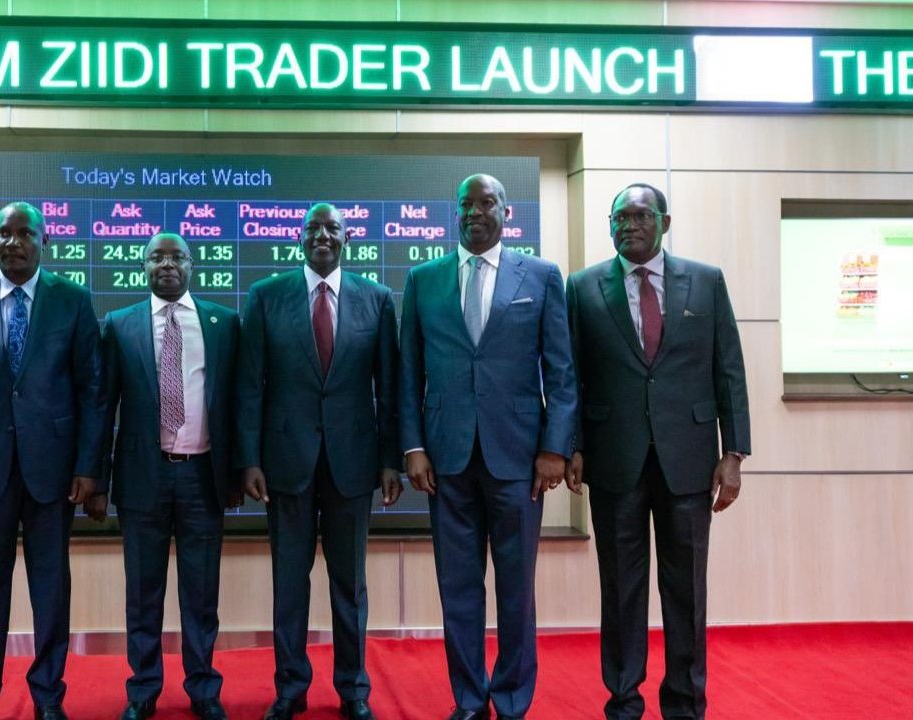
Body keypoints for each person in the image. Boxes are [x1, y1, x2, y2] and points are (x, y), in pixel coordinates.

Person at [565, 183, 751, 720]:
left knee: (686, 590)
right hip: (613, 460)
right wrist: (571, 444)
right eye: (619, 217)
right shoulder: (583, 287)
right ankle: (624, 700)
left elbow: (729, 370)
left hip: (689, 461)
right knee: (621, 590)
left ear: (665, 223)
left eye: (641, 215)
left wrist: (734, 453)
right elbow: (570, 374)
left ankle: (686, 703)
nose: (629, 225)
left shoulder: (706, 281)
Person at [399, 174, 577, 720]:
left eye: (486, 203)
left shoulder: (541, 276)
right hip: (445, 458)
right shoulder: (423, 279)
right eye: (466, 204)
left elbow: (561, 371)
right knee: (458, 587)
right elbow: (408, 373)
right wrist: (412, 446)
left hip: (519, 459)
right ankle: (470, 700)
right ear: (455, 212)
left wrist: (555, 448)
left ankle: (513, 699)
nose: (475, 212)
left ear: (506, 211)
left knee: (516, 588)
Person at [0, 201, 102, 720]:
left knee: (51, 590)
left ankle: (48, 697)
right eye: (3, 233)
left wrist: (88, 468)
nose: (13, 242)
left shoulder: (72, 300)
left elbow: (92, 390)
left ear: (44, 240)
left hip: (54, 471)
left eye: (24, 233)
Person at [236, 203, 402, 720]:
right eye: (313, 228)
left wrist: (391, 460)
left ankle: (353, 688)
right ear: (299, 237)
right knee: (290, 581)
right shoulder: (266, 296)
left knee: (350, 584)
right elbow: (249, 386)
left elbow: (389, 389)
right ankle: (290, 687)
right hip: (285, 463)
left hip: (353, 463)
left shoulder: (376, 299)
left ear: (348, 238)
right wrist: (249, 459)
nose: (322, 235)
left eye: (333, 228)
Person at [89, 233, 240, 720]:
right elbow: (102, 407)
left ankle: (203, 689)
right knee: (143, 592)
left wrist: (238, 472)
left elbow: (238, 403)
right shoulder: (120, 324)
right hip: (143, 478)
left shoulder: (223, 323)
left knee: (202, 593)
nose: (167, 265)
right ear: (144, 266)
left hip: (203, 476)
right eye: (157, 257)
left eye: (177, 257)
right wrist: (97, 480)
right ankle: (143, 690)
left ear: (192, 265)